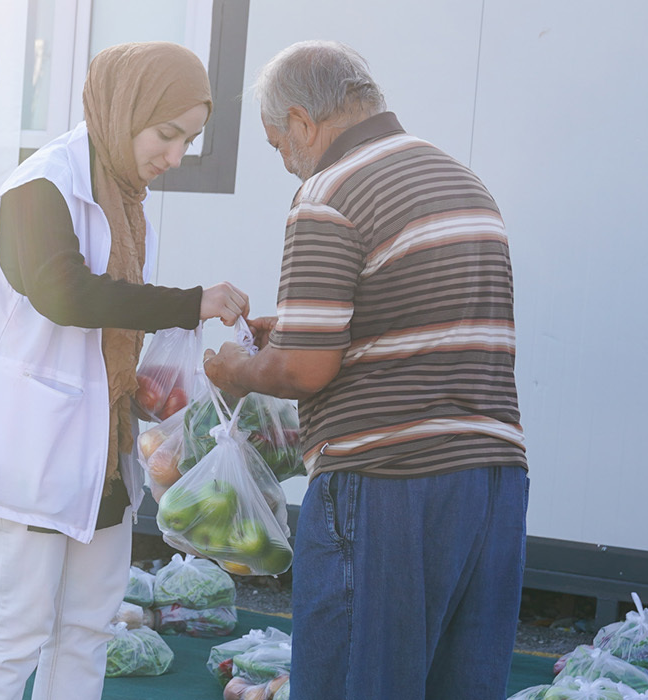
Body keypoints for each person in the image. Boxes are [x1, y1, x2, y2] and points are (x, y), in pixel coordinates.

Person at [205, 40, 528, 698]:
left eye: (278, 144)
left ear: (302, 122)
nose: (286, 162)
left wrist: (239, 369)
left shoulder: (329, 191)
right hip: (492, 479)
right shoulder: (461, 181)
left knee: (356, 681)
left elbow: (305, 371)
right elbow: (415, 321)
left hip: (386, 483)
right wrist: (290, 332)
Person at [0, 42, 248, 699]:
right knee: (14, 628)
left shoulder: (124, 198)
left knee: (87, 629)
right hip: (34, 451)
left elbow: (114, 324)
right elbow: (66, 296)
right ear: (124, 109)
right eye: (166, 134)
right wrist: (189, 304)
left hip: (104, 454)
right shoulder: (41, 187)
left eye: (189, 141)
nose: (174, 157)